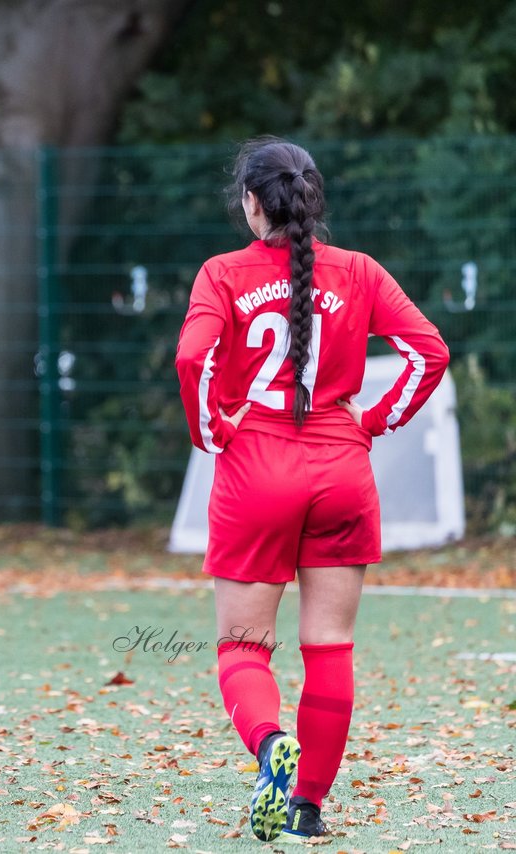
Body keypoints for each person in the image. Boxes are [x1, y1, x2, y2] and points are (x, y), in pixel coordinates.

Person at [175, 137, 448, 843]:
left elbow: (191, 356)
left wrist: (212, 430)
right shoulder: (359, 271)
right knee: (329, 646)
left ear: (251, 203)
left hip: (256, 470)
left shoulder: (223, 273)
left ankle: (271, 749)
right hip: (340, 472)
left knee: (242, 648)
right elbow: (431, 352)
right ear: (312, 200)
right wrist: (378, 420)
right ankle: (308, 808)